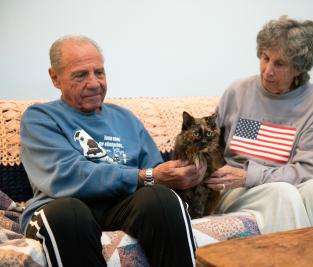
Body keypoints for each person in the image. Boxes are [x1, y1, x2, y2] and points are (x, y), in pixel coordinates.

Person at [20, 35, 205, 267]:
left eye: (99, 72)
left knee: (161, 199)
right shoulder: (40, 118)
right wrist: (143, 176)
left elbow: (155, 173)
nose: (95, 83)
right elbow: (67, 175)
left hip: (120, 205)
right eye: (80, 75)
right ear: (55, 77)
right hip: (62, 205)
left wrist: (187, 172)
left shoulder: (125, 118)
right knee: (69, 214)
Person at [206, 16, 313, 234]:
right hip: (238, 188)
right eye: (265, 58)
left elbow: (309, 170)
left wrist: (252, 175)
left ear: (298, 69)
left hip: (294, 182)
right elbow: (210, 144)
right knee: (282, 194)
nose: (267, 71)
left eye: (279, 64)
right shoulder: (238, 92)